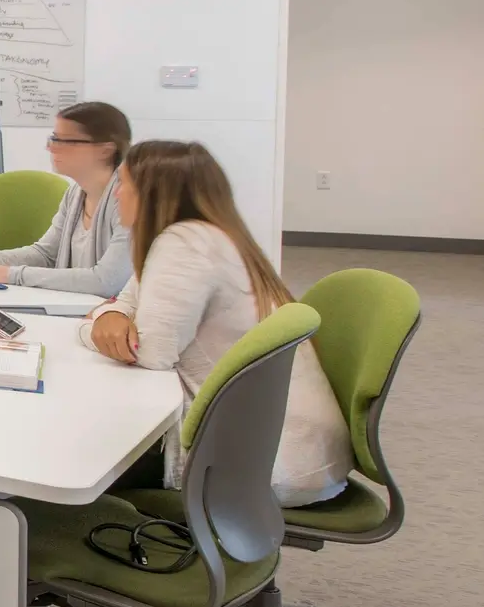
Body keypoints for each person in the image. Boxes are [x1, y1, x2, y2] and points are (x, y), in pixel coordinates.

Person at [80, 140, 352, 507]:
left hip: (263, 464)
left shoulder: (186, 246)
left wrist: (94, 324)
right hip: (288, 448)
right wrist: (109, 314)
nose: (117, 195)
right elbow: (126, 301)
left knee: (74, 448)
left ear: (154, 194)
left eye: (125, 184)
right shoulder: (206, 235)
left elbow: (150, 354)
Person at [0, 100, 133, 295]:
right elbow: (46, 254)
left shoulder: (129, 201)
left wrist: (10, 274)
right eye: (54, 138)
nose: (52, 148)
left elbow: (106, 281)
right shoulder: (75, 194)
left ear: (105, 150)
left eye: (66, 141)